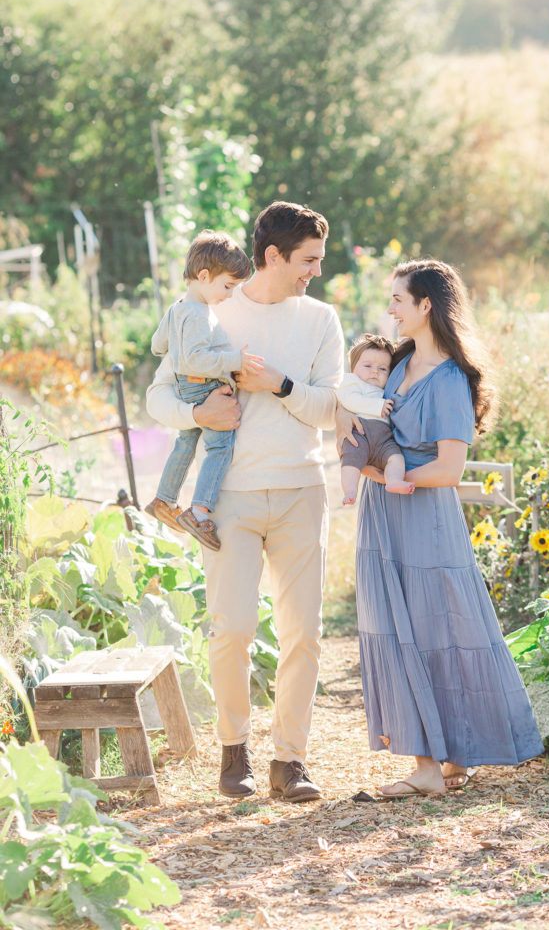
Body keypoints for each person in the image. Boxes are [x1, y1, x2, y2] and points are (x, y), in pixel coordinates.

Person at [147, 201, 344, 802]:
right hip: (227, 497)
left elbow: (329, 409)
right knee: (230, 628)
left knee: (303, 633)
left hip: (301, 488)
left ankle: (290, 760)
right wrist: (195, 412)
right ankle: (235, 751)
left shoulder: (321, 319)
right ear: (273, 257)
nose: (315, 271)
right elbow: (158, 396)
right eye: (307, 260)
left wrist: (278, 385)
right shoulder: (211, 306)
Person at [337, 259, 543, 797]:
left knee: (438, 631)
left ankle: (442, 762)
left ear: (426, 304)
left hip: (424, 518)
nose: (390, 310)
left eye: (398, 300)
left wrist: (382, 474)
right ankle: (436, 762)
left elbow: (449, 471)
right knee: (399, 628)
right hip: (383, 516)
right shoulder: (395, 362)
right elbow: (356, 415)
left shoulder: (451, 379)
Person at [145, 230, 259, 551]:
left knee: (186, 442)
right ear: (204, 275)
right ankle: (199, 510)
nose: (229, 294)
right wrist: (234, 359)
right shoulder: (198, 313)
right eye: (227, 286)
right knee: (220, 448)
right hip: (204, 387)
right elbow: (195, 359)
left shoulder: (178, 308)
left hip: (186, 387)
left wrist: (178, 348)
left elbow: (157, 346)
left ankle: (165, 499)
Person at [337, 333, 415, 506]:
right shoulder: (351, 382)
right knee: (351, 460)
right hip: (359, 433)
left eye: (382, 369)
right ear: (353, 368)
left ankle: (393, 480)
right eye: (368, 366)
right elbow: (349, 400)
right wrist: (377, 407)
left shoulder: (385, 390)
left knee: (395, 457)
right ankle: (350, 490)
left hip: (383, 439)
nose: (375, 371)